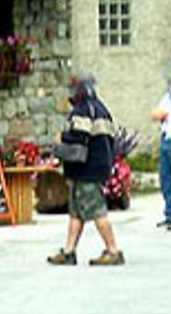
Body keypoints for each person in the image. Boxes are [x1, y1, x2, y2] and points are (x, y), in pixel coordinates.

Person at [48, 74, 124, 266]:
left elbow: (79, 137)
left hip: (87, 170)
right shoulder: (101, 109)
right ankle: (69, 251)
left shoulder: (83, 110)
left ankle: (113, 250)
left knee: (97, 211)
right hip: (93, 168)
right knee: (76, 212)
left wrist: (62, 138)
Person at [150, 76, 171, 228]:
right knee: (166, 179)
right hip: (165, 138)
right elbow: (155, 114)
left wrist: (168, 113)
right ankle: (170, 214)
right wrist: (168, 113)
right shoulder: (169, 97)